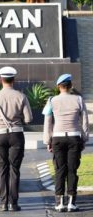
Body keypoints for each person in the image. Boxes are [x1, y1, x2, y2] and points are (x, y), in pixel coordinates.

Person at [0, 66, 32, 212]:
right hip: (16, 134)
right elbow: (29, 119)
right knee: (14, 169)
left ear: (1, 80)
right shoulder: (21, 96)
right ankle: (13, 203)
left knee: (1, 169)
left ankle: (2, 202)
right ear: (14, 80)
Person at [42, 74, 89, 212]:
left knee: (59, 170)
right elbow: (85, 121)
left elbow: (48, 122)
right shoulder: (79, 99)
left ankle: (60, 202)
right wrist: (84, 138)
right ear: (70, 86)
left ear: (58, 87)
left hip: (58, 138)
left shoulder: (51, 100)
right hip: (74, 137)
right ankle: (72, 203)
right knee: (72, 170)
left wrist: (47, 140)